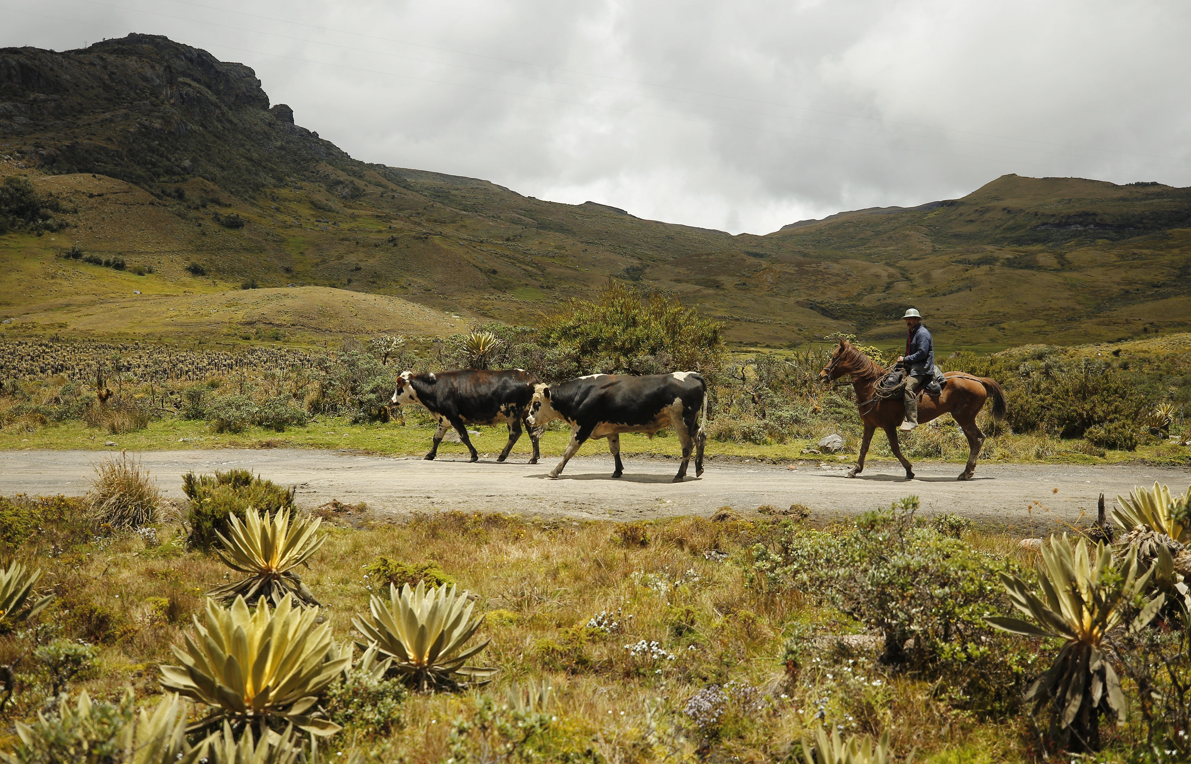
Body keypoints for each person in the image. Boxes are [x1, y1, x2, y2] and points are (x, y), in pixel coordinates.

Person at [896, 308, 933, 431]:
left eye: (910, 319)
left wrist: (905, 359)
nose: (908, 321)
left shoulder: (922, 333)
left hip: (921, 368)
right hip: (913, 366)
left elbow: (922, 353)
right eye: (906, 319)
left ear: (917, 319)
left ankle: (912, 420)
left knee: (907, 388)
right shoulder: (912, 332)